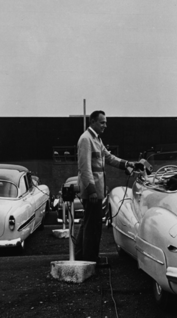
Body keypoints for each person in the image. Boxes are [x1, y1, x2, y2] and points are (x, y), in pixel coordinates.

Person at [75, 110, 135, 265]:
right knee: (93, 226)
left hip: (97, 190)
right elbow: (85, 168)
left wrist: (126, 164)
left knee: (88, 223)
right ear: (93, 122)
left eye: (105, 122)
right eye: (102, 122)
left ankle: (82, 256)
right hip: (92, 191)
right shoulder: (86, 140)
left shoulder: (97, 140)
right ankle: (90, 259)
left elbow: (108, 157)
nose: (105, 125)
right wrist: (91, 190)